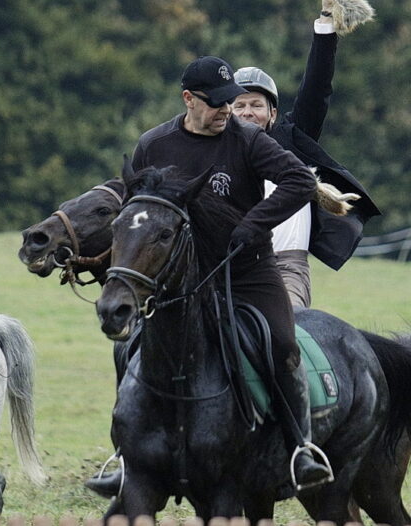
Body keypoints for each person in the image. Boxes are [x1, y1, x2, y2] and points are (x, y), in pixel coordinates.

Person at [93, 55, 333, 496]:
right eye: (218, 102)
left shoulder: (246, 141)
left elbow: (298, 180)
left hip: (247, 270)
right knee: (129, 348)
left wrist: (252, 225)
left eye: (232, 102)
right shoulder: (154, 144)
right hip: (180, 277)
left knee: (282, 344)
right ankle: (126, 456)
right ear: (188, 99)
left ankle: (301, 450)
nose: (228, 110)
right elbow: (137, 212)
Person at [231, 8, 380, 308]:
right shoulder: (217, 152)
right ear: (227, 112)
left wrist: (326, 25)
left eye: (256, 104)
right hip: (229, 268)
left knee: (288, 329)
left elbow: (316, 89)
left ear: (272, 113)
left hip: (286, 269)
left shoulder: (291, 139)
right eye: (240, 105)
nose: (248, 112)